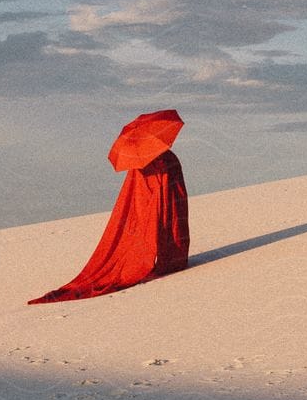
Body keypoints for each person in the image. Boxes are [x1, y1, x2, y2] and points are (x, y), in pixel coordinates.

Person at [28, 110, 190, 303]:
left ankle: (168, 258)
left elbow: (148, 192)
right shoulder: (164, 159)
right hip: (165, 202)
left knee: (164, 223)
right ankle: (171, 258)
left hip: (160, 198)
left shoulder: (149, 162)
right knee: (168, 223)